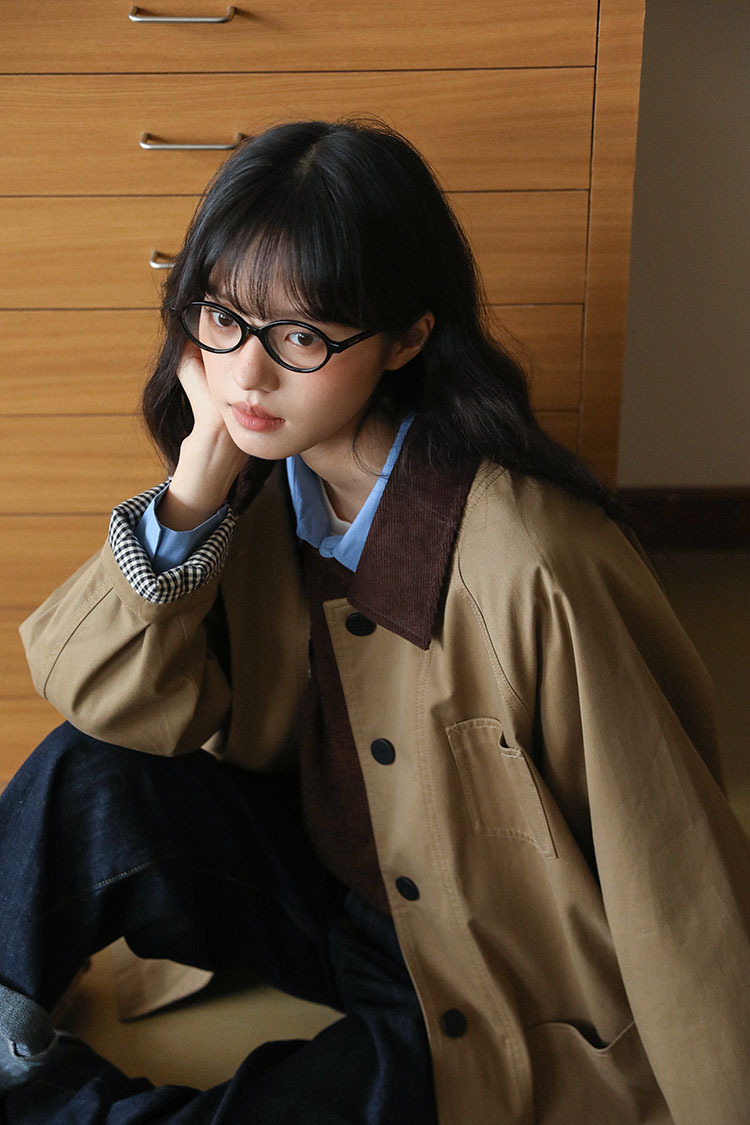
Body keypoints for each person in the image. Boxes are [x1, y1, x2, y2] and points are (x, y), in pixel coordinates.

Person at [1, 118, 748, 1125]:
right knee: (85, 774)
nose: (247, 375)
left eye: (301, 337)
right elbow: (101, 698)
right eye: (222, 318)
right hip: (333, 895)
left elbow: (675, 869)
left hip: (489, 990)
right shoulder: (255, 490)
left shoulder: (534, 561)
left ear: (407, 338)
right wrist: (190, 493)